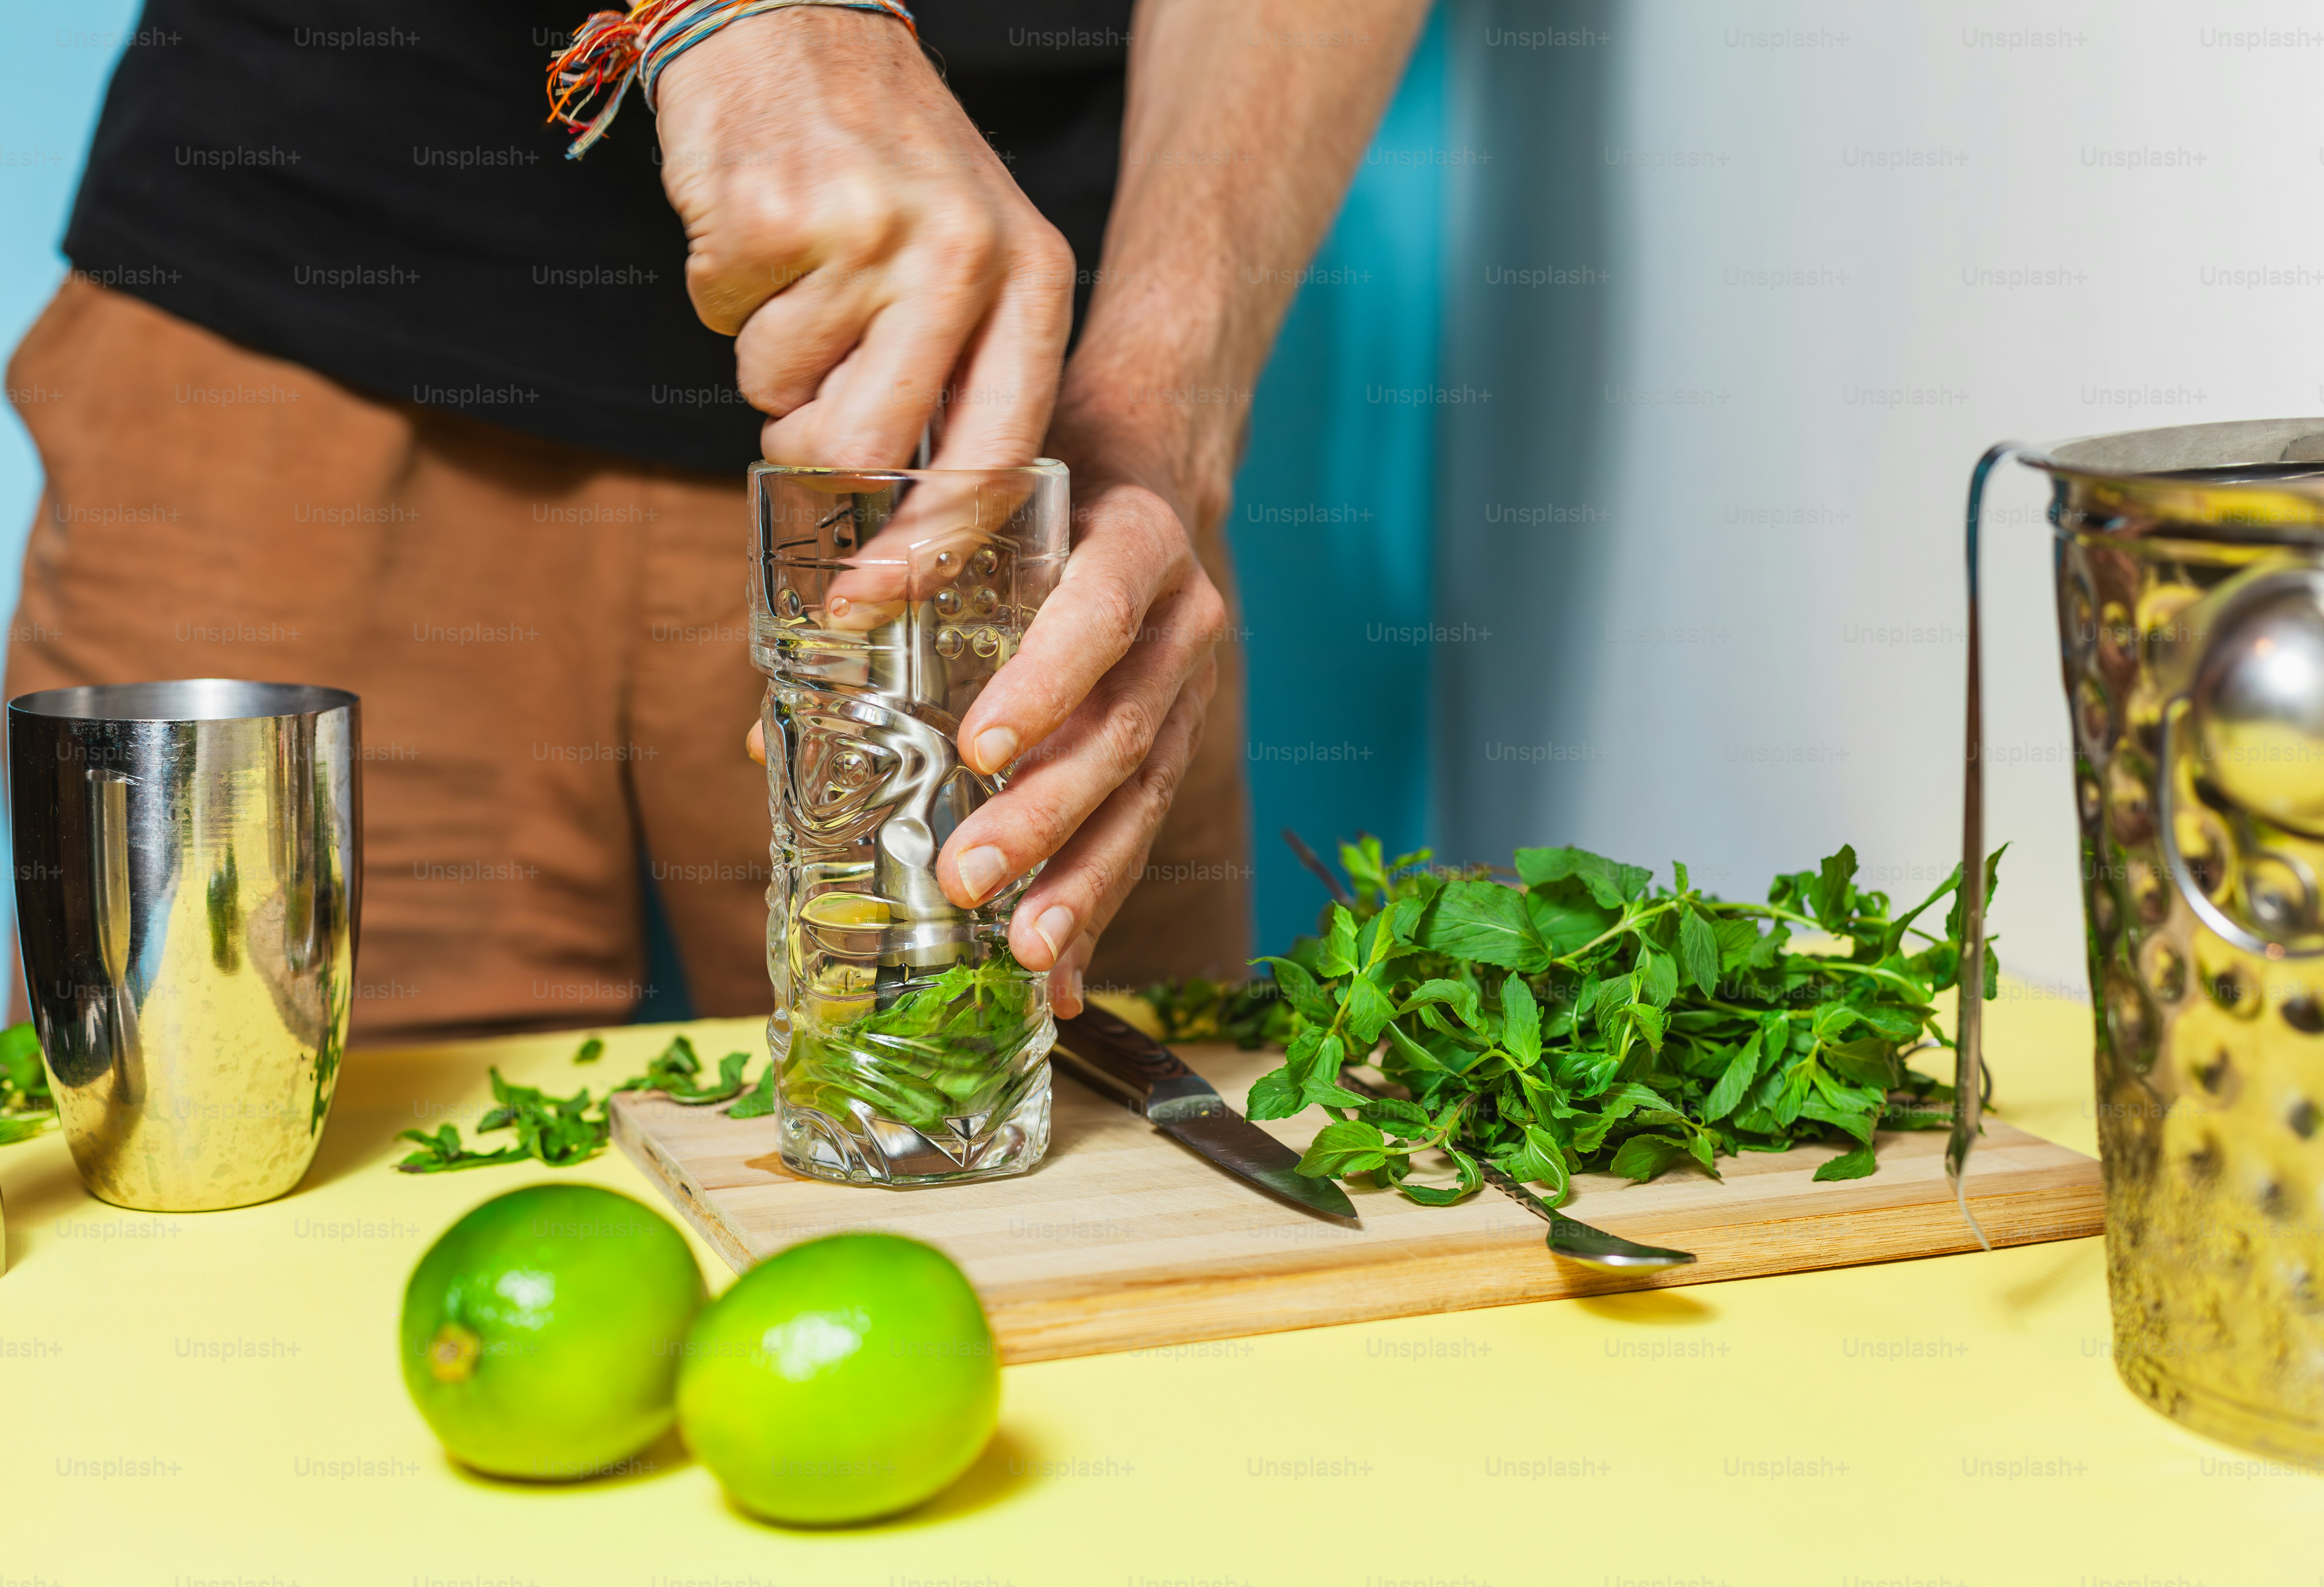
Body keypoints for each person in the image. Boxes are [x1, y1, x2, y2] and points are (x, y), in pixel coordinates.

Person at [5, 0, 1429, 1041]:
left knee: (1084, 1205)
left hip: (986, 452)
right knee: (239, 1237)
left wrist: (1158, 414)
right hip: (305, 351)